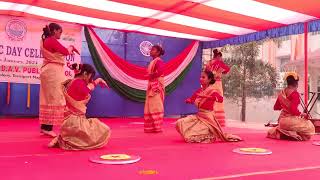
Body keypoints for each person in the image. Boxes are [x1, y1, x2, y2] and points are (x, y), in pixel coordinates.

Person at [48, 63, 111, 150]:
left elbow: (88, 87)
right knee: (103, 130)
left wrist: (98, 81)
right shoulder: (78, 82)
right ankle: (66, 139)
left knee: (95, 130)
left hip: (71, 121)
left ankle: (64, 138)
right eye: (90, 76)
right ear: (85, 74)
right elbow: (86, 90)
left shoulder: (74, 81)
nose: (90, 79)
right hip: (74, 122)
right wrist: (98, 80)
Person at [176, 71, 241, 143]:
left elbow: (220, 99)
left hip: (208, 119)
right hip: (199, 117)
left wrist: (207, 97)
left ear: (209, 80)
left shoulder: (213, 91)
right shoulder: (199, 90)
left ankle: (210, 134)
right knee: (179, 123)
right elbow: (192, 99)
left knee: (192, 136)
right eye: (200, 77)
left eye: (203, 77)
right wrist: (188, 100)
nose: (201, 79)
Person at [39, 23, 79, 137]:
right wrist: (71, 47)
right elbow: (65, 52)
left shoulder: (44, 40)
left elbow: (62, 52)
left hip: (49, 71)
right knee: (56, 98)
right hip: (52, 72)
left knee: (49, 98)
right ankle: (47, 127)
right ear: (54, 31)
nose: (60, 34)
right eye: (60, 32)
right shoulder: (51, 40)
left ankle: (45, 127)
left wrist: (70, 49)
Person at [267, 72, 315, 141]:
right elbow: (293, 110)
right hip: (290, 122)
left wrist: (285, 105)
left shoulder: (281, 93)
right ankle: (289, 133)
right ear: (296, 83)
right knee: (310, 127)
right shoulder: (295, 94)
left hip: (281, 122)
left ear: (288, 82)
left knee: (304, 137)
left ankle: (286, 133)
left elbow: (276, 107)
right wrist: (303, 114)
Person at [205, 49, 229, 127]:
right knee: (218, 100)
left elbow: (206, 72)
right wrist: (220, 71)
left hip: (210, 83)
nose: (221, 58)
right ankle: (217, 121)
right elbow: (227, 70)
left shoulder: (209, 62)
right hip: (217, 83)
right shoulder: (220, 62)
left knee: (209, 98)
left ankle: (209, 118)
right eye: (220, 57)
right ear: (218, 56)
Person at [144, 45, 165, 133]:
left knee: (155, 105)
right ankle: (152, 127)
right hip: (152, 84)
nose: (150, 51)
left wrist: (151, 75)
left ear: (158, 52)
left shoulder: (159, 61)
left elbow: (160, 72)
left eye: (153, 50)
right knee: (150, 105)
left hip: (156, 85)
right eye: (151, 49)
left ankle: (157, 126)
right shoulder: (153, 61)